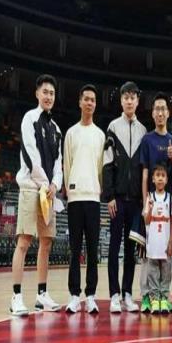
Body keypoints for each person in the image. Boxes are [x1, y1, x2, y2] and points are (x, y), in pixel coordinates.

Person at [10, 74, 63, 316]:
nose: (48, 96)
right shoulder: (29, 118)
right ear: (37, 94)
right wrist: (45, 184)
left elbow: (59, 163)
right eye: (45, 92)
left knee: (46, 242)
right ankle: (16, 297)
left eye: (52, 93)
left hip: (48, 193)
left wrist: (55, 184)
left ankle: (42, 295)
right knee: (24, 241)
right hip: (32, 189)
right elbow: (31, 157)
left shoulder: (56, 129)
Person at [102, 81, 146, 313]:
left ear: (137, 101)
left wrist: (143, 199)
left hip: (136, 201)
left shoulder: (143, 131)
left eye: (133, 97)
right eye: (125, 97)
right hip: (117, 199)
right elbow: (107, 163)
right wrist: (109, 195)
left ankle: (127, 293)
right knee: (113, 247)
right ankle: (114, 294)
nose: (129, 101)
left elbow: (143, 168)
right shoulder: (112, 127)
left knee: (131, 249)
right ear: (121, 100)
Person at [64, 84, 105, 314]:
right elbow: (67, 164)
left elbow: (100, 168)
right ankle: (74, 295)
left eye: (93, 100)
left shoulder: (100, 135)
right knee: (75, 249)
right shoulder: (71, 133)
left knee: (92, 249)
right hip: (75, 198)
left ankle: (90, 295)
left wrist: (96, 189)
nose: (89, 102)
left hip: (93, 198)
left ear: (95, 105)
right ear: (80, 102)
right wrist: (70, 189)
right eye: (86, 99)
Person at [137, 92, 172, 313]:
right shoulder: (147, 140)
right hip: (152, 206)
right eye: (157, 109)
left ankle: (164, 295)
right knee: (149, 255)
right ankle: (148, 296)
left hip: (169, 207)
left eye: (163, 109)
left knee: (166, 255)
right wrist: (146, 203)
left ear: (168, 113)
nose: (160, 113)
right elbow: (145, 174)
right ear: (153, 113)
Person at [143, 165, 172, 314]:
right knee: (153, 272)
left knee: (166, 272)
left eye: (163, 175)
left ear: (167, 179)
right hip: (153, 243)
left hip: (165, 242)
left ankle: (164, 298)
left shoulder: (170, 198)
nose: (160, 178)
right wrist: (150, 208)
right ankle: (155, 299)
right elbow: (146, 220)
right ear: (153, 179)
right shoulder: (150, 197)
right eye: (157, 175)